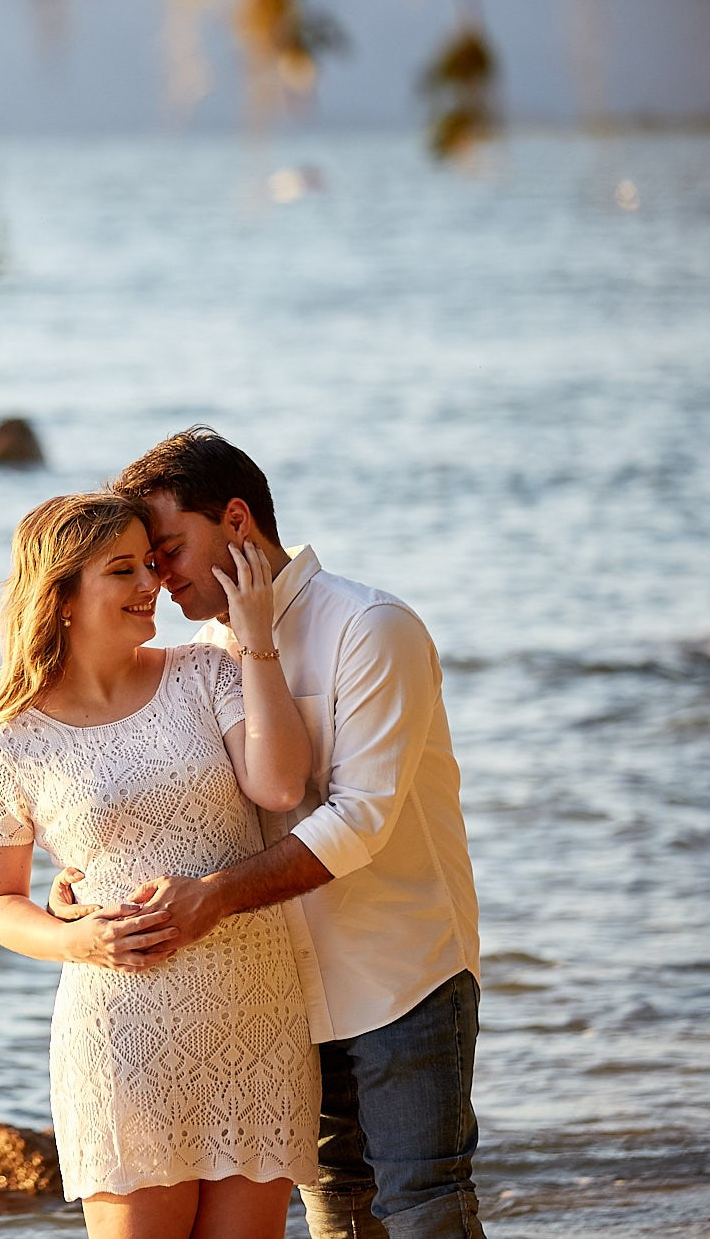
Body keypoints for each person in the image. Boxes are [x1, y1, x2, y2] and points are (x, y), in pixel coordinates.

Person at [91, 427, 485, 1239]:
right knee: (338, 1213)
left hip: (397, 977)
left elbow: (359, 821)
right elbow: (201, 810)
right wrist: (93, 878)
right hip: (278, 999)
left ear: (237, 520)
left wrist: (216, 898)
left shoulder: (370, 627)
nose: (160, 581)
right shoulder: (206, 653)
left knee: (424, 1212)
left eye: (169, 550)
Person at [0, 490, 320, 1239]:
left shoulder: (204, 672)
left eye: (151, 564)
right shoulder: (12, 739)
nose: (150, 584)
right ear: (60, 595)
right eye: (121, 570)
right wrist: (75, 938)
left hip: (254, 1016)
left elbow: (281, 784)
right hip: (122, 1032)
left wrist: (253, 639)